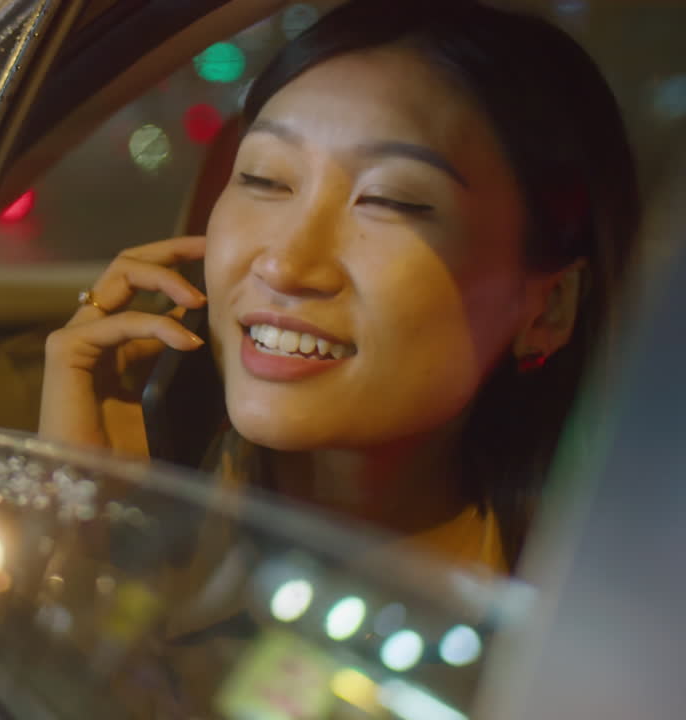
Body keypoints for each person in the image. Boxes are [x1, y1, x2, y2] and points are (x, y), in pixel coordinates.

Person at [39, 0, 641, 574]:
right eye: (264, 178)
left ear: (551, 305)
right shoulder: (146, 518)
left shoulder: (590, 630)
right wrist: (76, 533)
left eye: (389, 200)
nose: (284, 265)